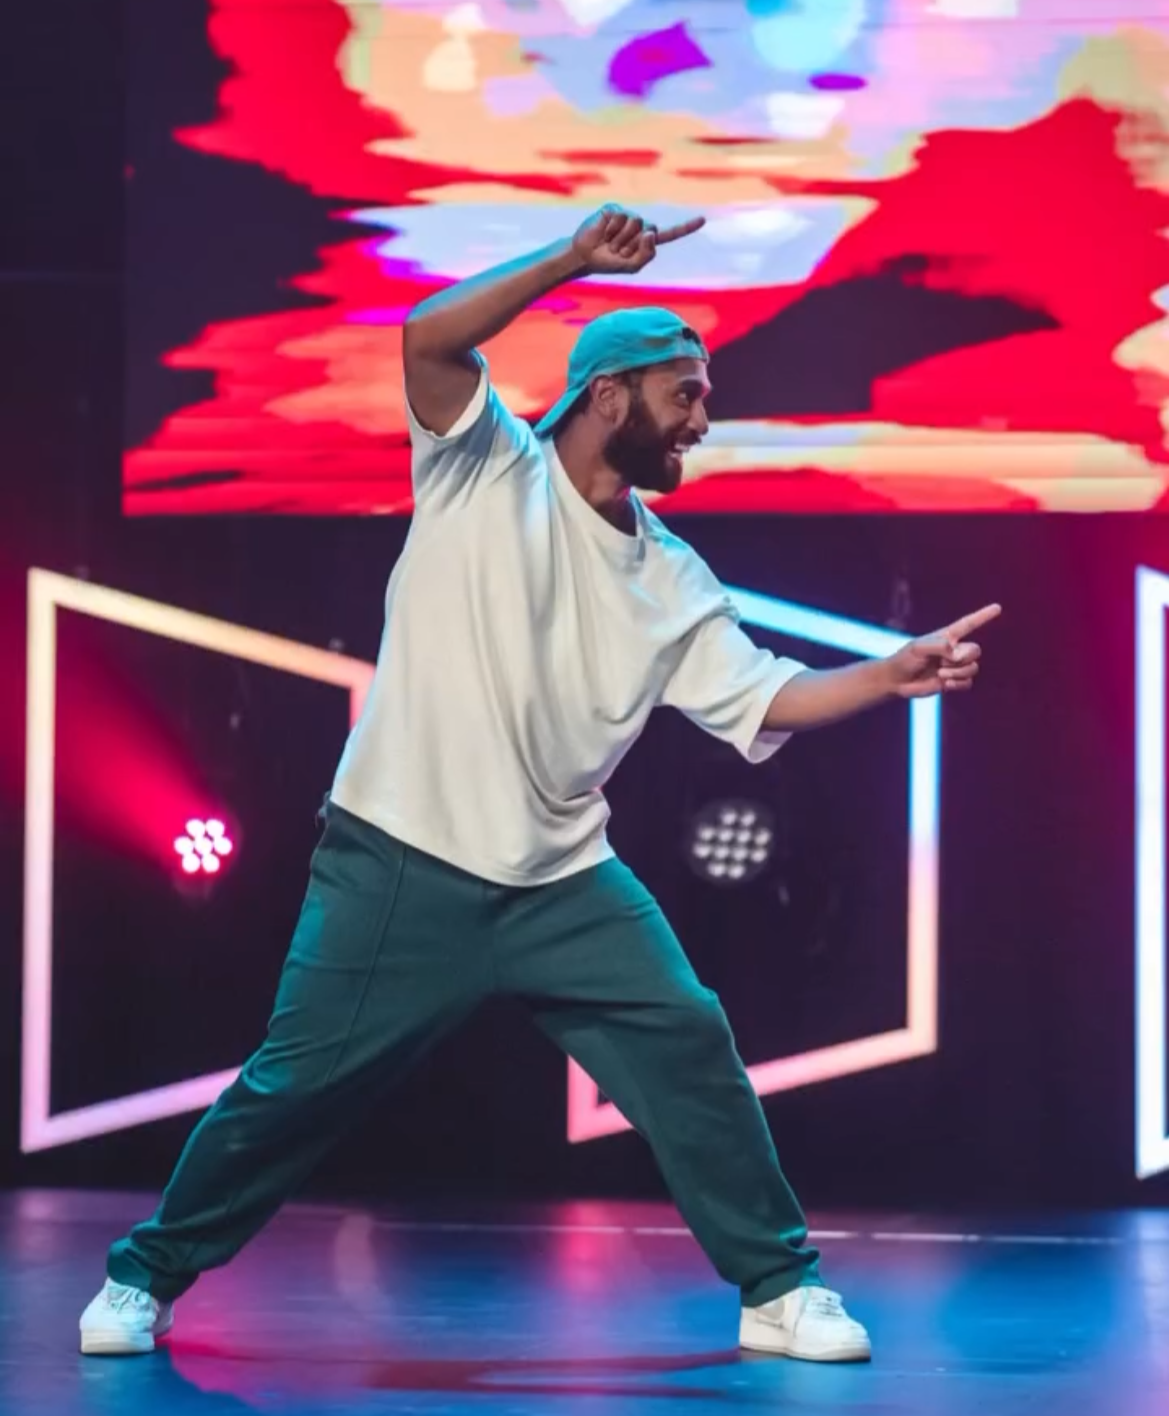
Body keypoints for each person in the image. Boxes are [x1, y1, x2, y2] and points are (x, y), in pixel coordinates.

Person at [80, 204, 998, 1361]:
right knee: (291, 1089)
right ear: (608, 397)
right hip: (398, 856)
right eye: (685, 395)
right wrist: (569, 258)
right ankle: (144, 1277)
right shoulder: (482, 468)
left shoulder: (670, 575)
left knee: (688, 1044)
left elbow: (762, 696)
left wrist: (886, 676)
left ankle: (777, 1290)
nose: (701, 420)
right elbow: (427, 337)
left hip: (563, 881)